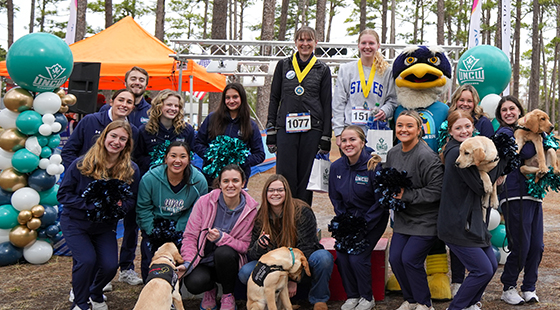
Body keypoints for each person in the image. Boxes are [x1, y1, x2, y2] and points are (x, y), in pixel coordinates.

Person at [58, 120, 140, 310]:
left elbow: (131, 199)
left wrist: (118, 207)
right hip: (76, 223)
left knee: (111, 265)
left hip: (104, 226)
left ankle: (95, 292)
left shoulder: (131, 169)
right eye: (113, 136)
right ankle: (80, 302)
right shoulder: (82, 163)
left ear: (127, 144)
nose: (116, 141)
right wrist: (91, 204)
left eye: (122, 139)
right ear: (104, 137)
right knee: (86, 260)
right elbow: (63, 194)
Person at [438, 110, 504, 310]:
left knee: (491, 266)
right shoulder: (456, 154)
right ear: (450, 130)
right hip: (458, 224)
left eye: (467, 126)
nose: (464, 131)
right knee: (482, 270)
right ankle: (456, 307)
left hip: (472, 221)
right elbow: (478, 186)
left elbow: (486, 182)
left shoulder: (469, 148)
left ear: (473, 128)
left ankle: (469, 304)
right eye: (458, 128)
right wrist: (504, 164)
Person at [238, 174, 334, 310]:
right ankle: (272, 303)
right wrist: (260, 246)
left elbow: (307, 248)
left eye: (279, 190)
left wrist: (292, 278)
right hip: (275, 269)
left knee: (323, 258)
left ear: (286, 192)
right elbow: (252, 254)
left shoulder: (302, 211)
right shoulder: (261, 216)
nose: (275, 194)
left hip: (301, 264)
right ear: (265, 193)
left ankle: (319, 299)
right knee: (246, 272)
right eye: (271, 190)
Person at [266, 26, 332, 206]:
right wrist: (271, 128)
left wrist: (326, 135)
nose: (305, 44)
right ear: (295, 43)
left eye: (309, 40)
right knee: (285, 177)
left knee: (306, 178)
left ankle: (303, 221)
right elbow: (274, 98)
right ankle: (284, 220)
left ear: (316, 43)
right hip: (285, 129)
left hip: (313, 129)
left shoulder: (322, 69)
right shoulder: (283, 65)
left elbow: (327, 103)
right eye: (301, 40)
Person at [384, 110, 444, 310]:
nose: (404, 129)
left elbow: (436, 191)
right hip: (403, 218)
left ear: (419, 130)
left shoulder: (426, 156)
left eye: (409, 126)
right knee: (395, 259)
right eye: (400, 125)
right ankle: (411, 300)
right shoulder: (392, 153)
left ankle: (425, 304)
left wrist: (407, 195)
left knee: (410, 259)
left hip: (426, 219)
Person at [178, 164, 258, 310]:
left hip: (229, 262)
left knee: (224, 252)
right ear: (219, 184)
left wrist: (222, 238)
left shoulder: (250, 210)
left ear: (243, 183)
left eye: (235, 180)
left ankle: (228, 295)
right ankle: (210, 289)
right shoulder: (204, 202)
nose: (230, 185)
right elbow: (190, 236)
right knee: (193, 284)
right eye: (226, 181)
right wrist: (188, 262)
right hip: (203, 259)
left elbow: (246, 246)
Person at [328, 125, 389, 310]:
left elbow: (380, 202)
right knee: (342, 254)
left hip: (373, 219)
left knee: (357, 256)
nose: (348, 144)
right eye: (344, 140)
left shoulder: (374, 165)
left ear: (362, 142)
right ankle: (352, 296)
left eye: (352, 140)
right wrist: (345, 222)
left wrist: (363, 225)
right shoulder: (336, 167)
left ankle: (366, 297)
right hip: (348, 220)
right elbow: (335, 198)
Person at [494, 95, 543, 305]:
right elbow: (529, 150)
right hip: (514, 193)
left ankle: (529, 287)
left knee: (537, 245)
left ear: (519, 111)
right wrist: (534, 140)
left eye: (512, 109)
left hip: (534, 193)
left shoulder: (527, 129)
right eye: (504, 110)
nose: (508, 113)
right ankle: (509, 286)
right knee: (521, 243)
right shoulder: (503, 132)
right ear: (500, 115)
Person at [136, 141, 208, 281]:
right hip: (155, 226)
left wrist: (179, 230)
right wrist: (153, 231)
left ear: (189, 159)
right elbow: (143, 208)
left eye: (182, 156)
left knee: (179, 264)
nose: (177, 160)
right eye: (173, 156)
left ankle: (174, 292)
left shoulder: (199, 181)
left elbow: (198, 211)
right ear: (166, 158)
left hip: (183, 229)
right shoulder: (149, 179)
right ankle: (150, 288)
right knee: (150, 261)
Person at [332, 29, 398, 146]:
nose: (367, 47)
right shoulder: (346, 69)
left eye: (371, 43)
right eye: (363, 43)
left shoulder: (387, 71)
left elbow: (393, 100)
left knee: (375, 164)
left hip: (377, 130)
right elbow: (338, 103)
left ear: (378, 45)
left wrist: (384, 111)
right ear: (358, 45)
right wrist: (338, 132)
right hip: (351, 131)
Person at [194, 82, 265, 188]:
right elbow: (197, 143)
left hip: (238, 181)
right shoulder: (212, 119)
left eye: (235, 97)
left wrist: (239, 160)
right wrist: (212, 156)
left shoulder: (250, 125)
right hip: (212, 179)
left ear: (242, 98)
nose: (231, 101)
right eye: (228, 97)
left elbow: (260, 154)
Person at [61, 89, 138, 170]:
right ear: (111, 102)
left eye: (129, 102)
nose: (124, 104)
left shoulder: (133, 131)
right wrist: (80, 172)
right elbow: (68, 151)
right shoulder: (90, 120)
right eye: (121, 100)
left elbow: (130, 159)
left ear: (132, 107)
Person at [135, 89, 196, 175]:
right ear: (159, 106)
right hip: (151, 176)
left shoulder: (187, 130)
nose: (173, 108)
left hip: (179, 176)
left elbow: (191, 155)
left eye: (176, 106)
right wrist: (158, 161)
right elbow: (138, 157)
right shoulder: (145, 130)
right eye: (169, 105)